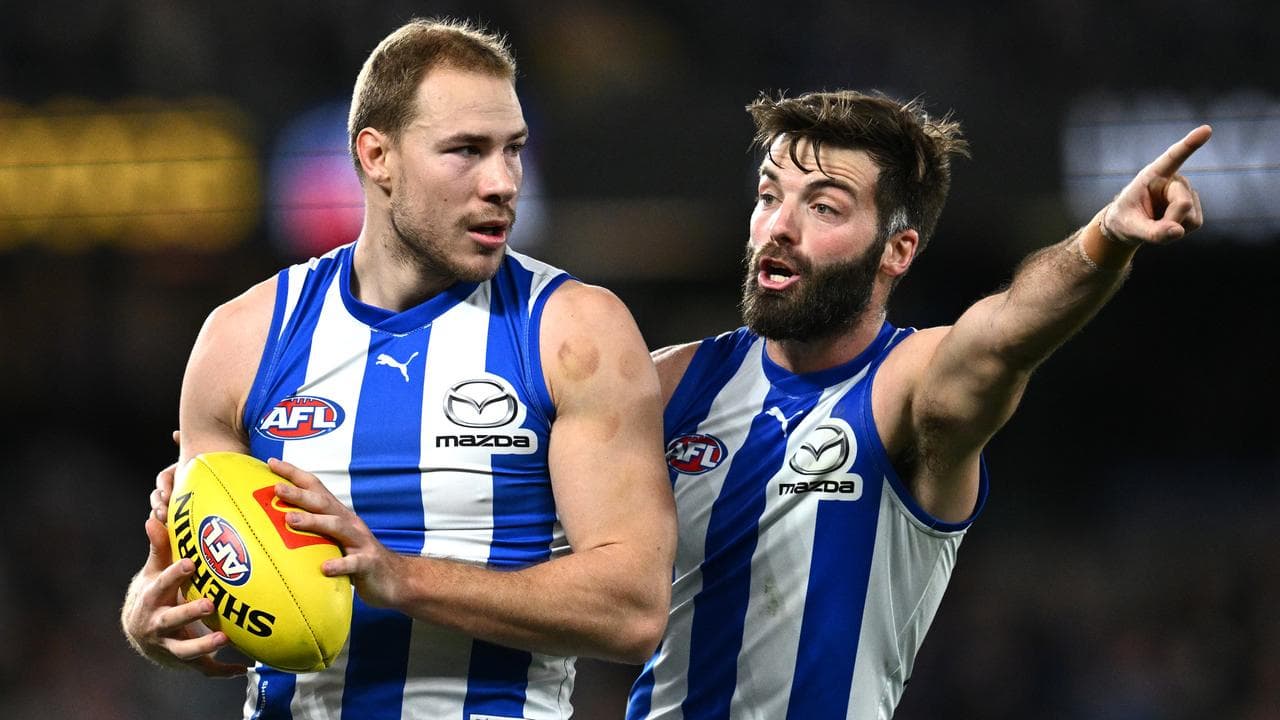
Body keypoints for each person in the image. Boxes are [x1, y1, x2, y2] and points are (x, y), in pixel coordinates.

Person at [119, 17, 676, 719]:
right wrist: (151, 613)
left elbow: (634, 608)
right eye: (466, 151)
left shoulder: (573, 331)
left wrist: (401, 578)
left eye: (514, 150)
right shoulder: (242, 339)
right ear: (376, 155)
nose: (503, 182)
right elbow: (199, 575)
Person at [625, 90, 1208, 719]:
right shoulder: (674, 383)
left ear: (897, 250)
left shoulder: (904, 387)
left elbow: (1006, 333)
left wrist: (1106, 238)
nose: (778, 228)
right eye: (769, 196)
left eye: (823, 208)